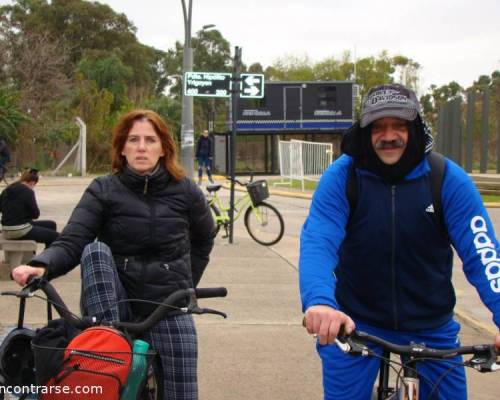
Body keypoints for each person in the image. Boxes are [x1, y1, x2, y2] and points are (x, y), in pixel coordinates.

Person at [299, 83, 500, 399]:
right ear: (365, 132)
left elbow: (484, 254)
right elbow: (318, 242)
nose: (388, 135)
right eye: (378, 126)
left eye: (399, 126)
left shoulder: (447, 180)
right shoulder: (342, 178)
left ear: (416, 128)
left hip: (431, 324)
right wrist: (320, 303)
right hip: (355, 322)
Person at [11, 109, 215, 400]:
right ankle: (107, 339)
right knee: (95, 250)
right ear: (122, 148)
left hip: (166, 305)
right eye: (133, 140)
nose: (141, 147)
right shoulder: (103, 189)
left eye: (150, 140)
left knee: (182, 390)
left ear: (163, 148)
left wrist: (186, 283)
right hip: (113, 304)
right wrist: (41, 267)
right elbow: (73, 240)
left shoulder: (185, 191)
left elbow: (205, 237)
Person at [0, 168, 59, 247]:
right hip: (19, 230)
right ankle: (46, 259)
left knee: (51, 225)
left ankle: (45, 257)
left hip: (6, 229)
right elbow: (36, 214)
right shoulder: (28, 191)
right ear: (32, 182)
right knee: (56, 236)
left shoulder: (7, 189)